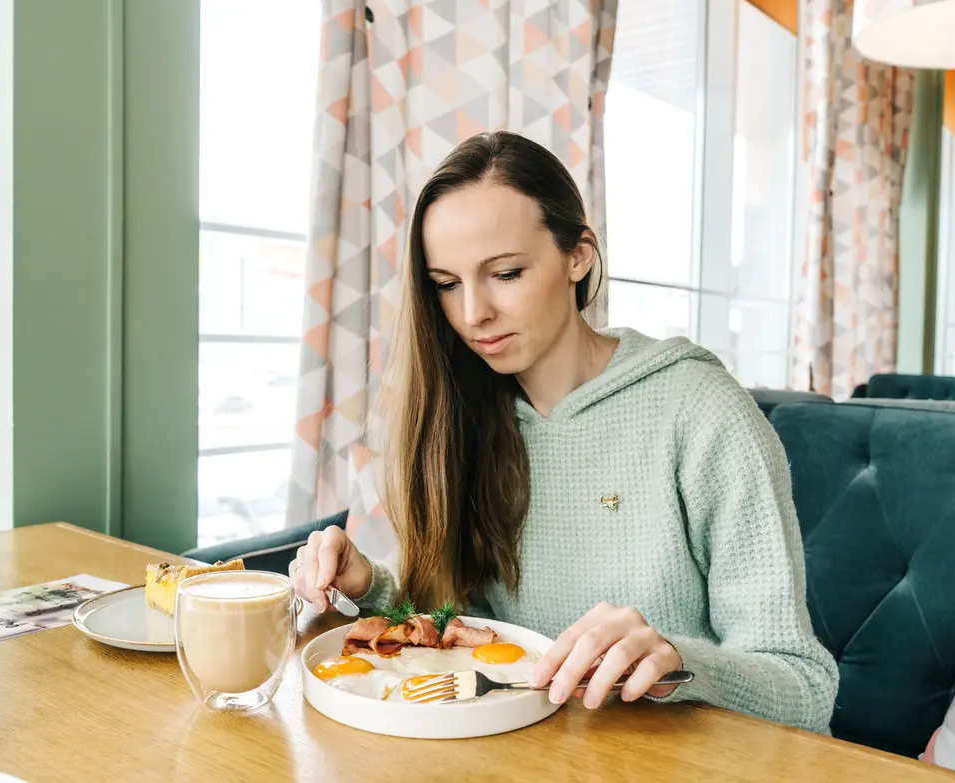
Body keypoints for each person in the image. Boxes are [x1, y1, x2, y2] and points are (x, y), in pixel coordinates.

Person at [289, 130, 838, 732]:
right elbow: (458, 629)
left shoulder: (700, 411)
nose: (473, 313)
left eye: (505, 273)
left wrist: (678, 662)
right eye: (447, 284)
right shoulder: (462, 414)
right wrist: (368, 584)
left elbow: (804, 690)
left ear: (578, 255)